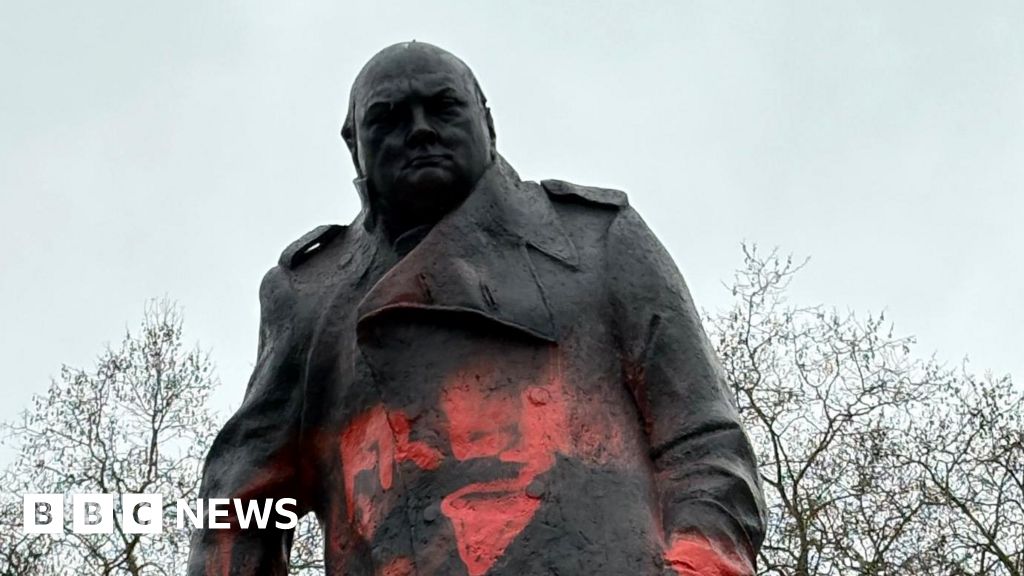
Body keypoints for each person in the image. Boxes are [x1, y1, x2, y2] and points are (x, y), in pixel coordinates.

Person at [188, 41, 765, 576]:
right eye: (388, 117)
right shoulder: (311, 296)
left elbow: (704, 442)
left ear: (486, 120)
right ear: (352, 144)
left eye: (443, 108)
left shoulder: (596, 239)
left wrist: (695, 564)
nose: (420, 130)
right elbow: (240, 505)